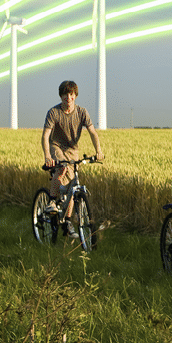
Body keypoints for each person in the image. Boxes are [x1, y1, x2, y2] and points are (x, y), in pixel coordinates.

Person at [41, 80, 105, 236]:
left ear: (75, 96)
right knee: (62, 167)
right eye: (64, 94)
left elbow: (92, 132)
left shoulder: (82, 112)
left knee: (72, 186)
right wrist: (48, 155)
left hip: (73, 150)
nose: (68, 98)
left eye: (71, 94)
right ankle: (51, 201)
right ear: (61, 96)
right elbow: (45, 136)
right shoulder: (53, 113)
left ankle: (68, 222)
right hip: (56, 146)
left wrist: (98, 151)